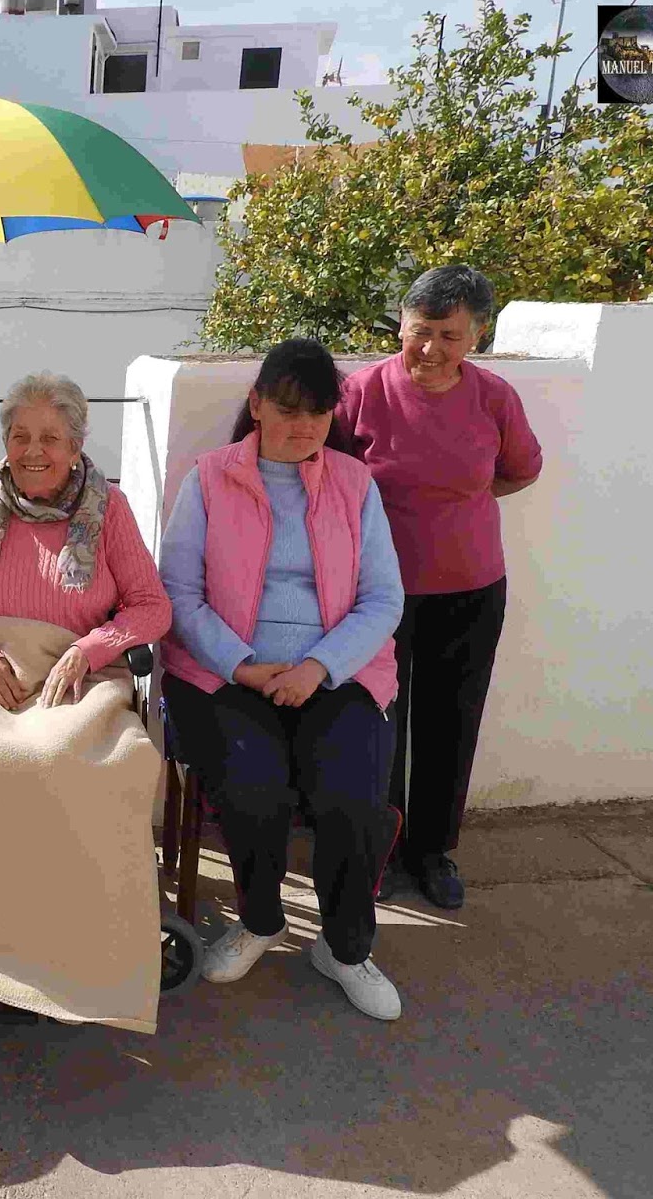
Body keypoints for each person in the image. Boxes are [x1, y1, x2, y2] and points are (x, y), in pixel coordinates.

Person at [0, 372, 173, 1031]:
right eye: (20, 436)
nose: (33, 450)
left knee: (70, 765)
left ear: (76, 446)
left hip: (74, 676)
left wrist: (93, 649)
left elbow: (150, 605)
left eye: (50, 437)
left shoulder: (109, 509)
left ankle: (73, 965)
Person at [159, 339, 406, 1021]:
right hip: (226, 674)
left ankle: (344, 949)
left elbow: (383, 598)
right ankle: (260, 921)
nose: (304, 427)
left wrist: (318, 668)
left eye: (319, 413)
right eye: (290, 409)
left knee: (352, 795)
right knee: (254, 786)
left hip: (337, 674)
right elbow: (178, 592)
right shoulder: (209, 480)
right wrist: (240, 663)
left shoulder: (355, 485)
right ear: (257, 404)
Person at [338, 265, 543, 909]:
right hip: (373, 595)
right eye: (420, 331)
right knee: (375, 722)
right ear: (401, 324)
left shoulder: (494, 398)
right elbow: (328, 477)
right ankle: (379, 845)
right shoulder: (361, 392)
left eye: (450, 336)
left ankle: (432, 851)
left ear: (476, 336)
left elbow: (519, 470)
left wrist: (458, 505)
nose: (430, 349)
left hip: (470, 589)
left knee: (450, 722)